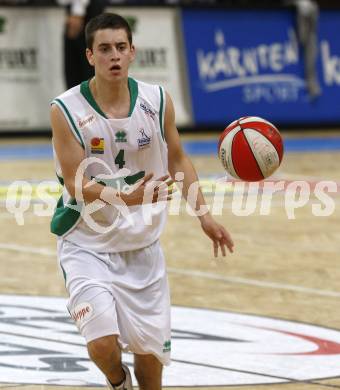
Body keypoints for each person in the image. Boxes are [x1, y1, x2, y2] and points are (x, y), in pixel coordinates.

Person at [50, 12, 234, 390]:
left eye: (120, 47)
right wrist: (124, 198)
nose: (114, 56)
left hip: (143, 249)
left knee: (151, 371)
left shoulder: (157, 100)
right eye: (104, 49)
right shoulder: (65, 109)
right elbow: (74, 181)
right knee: (102, 345)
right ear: (89, 56)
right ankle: (118, 382)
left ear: (132, 52)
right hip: (88, 245)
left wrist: (205, 217)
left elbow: (178, 159)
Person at [57, 0, 106, 88]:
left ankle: (90, 100)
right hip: (76, 9)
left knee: (86, 68)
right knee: (74, 70)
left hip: (84, 10)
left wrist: (77, 12)